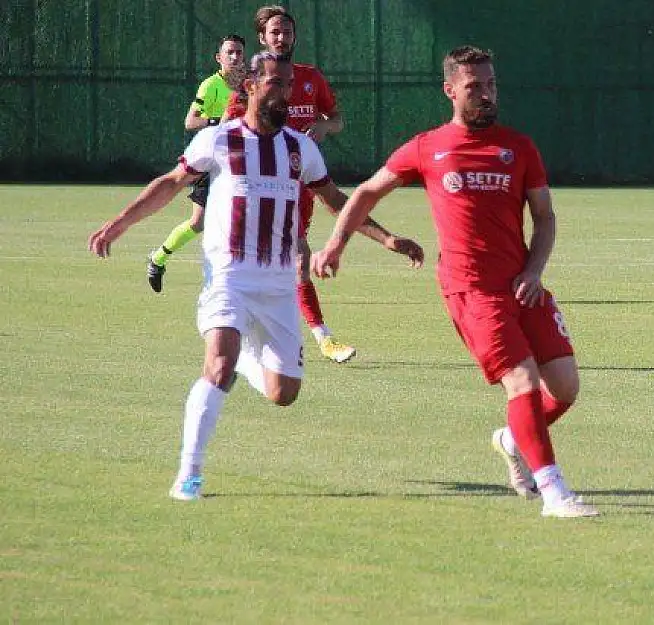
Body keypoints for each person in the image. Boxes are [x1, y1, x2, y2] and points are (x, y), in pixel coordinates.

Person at [88, 52, 422, 501]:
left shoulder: (301, 148)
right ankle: (189, 473)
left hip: (278, 284)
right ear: (249, 86)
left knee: (283, 393)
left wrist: (386, 239)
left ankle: (247, 355)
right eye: (273, 83)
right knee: (218, 365)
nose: (282, 91)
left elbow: (337, 201)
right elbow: (170, 183)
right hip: (229, 277)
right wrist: (121, 222)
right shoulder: (219, 139)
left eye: (286, 84)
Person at [311, 45, 599, 519]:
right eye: (475, 87)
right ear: (450, 91)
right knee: (522, 381)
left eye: (491, 85)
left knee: (564, 388)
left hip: (522, 284)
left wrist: (533, 271)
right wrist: (336, 245)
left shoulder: (520, 147)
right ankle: (555, 494)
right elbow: (365, 192)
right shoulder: (428, 147)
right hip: (471, 289)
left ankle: (512, 438)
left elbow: (544, 218)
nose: (487, 95)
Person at [222, 5, 356, 363]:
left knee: (291, 262)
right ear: (262, 38)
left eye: (287, 32)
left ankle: (268, 340)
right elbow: (229, 127)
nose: (282, 38)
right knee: (291, 260)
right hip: (261, 188)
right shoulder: (252, 83)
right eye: (274, 32)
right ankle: (319, 337)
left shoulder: (311, 78)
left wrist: (326, 126)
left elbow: (337, 118)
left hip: (301, 186)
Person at [146, 34, 246, 293]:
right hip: (211, 161)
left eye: (239, 53)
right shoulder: (210, 85)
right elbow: (190, 121)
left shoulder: (249, 85)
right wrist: (219, 122)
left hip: (240, 163)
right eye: (230, 53)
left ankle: (238, 280)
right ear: (219, 58)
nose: (235, 57)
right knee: (199, 222)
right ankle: (159, 258)